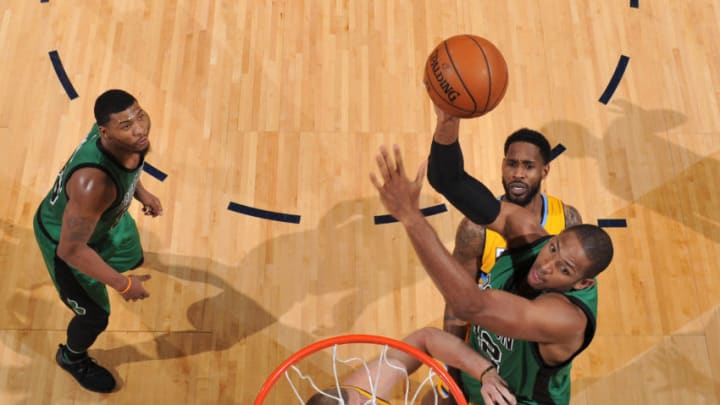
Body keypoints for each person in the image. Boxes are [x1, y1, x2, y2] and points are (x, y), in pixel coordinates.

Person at [368, 108, 613, 404]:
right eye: (553, 249)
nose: (546, 266)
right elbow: (449, 180)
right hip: (482, 377)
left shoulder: (565, 319)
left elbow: (469, 304)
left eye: (564, 269)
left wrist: (411, 217)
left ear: (582, 284)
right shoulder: (526, 231)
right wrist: (449, 120)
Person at [33, 89, 162, 393]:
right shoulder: (93, 185)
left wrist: (141, 193)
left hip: (103, 223)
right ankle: (72, 357)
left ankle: (119, 267)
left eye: (139, 115)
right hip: (66, 244)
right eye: (127, 125)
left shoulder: (125, 142)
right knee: (94, 316)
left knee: (133, 255)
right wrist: (124, 285)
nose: (140, 128)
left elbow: (131, 164)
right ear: (106, 132)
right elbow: (72, 249)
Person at [442, 127, 583, 397]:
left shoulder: (567, 221)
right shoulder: (476, 228)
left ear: (545, 170)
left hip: (534, 356)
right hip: (487, 351)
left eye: (528, 166)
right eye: (512, 163)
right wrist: (452, 374)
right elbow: (456, 304)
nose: (518, 173)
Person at [305, 327, 516, 405]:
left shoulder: (363, 390)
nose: (364, 400)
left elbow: (425, 339)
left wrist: (485, 372)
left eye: (359, 399)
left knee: (438, 399)